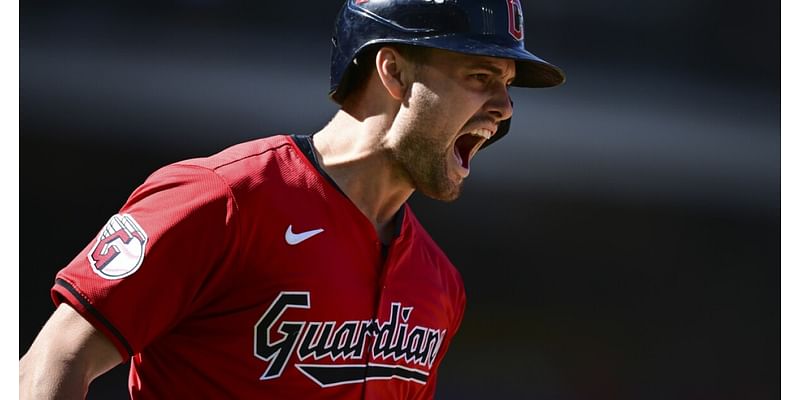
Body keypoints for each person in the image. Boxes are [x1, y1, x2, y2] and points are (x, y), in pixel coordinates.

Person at [19, 0, 564, 398]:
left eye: (507, 83)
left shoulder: (440, 286)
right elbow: (52, 363)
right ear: (393, 72)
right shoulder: (227, 199)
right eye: (480, 75)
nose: (504, 106)